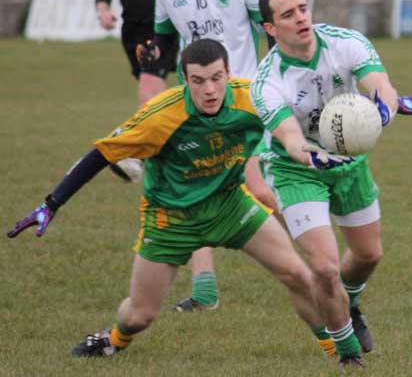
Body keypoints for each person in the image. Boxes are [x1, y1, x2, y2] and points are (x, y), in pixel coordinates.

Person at [8, 39, 332, 363]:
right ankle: (115, 339)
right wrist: (51, 204)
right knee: (140, 314)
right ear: (184, 79)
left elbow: (298, 116)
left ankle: (338, 353)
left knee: (298, 276)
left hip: (230, 205)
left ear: (229, 73)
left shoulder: (252, 98)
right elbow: (101, 154)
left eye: (217, 78)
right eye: (198, 81)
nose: (209, 90)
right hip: (171, 219)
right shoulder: (161, 115)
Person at [250, 0, 412, 366]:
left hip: (350, 161)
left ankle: (349, 304)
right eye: (287, 14)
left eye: (302, 8)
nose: (301, 17)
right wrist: (312, 158)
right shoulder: (267, 82)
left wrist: (385, 111)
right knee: (324, 266)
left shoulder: (345, 42)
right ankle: (348, 354)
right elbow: (289, 138)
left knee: (369, 254)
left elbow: (380, 86)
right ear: (270, 29)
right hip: (297, 170)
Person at [145, 0, 276, 313]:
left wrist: (278, 76)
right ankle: (205, 290)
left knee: (258, 189)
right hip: (197, 101)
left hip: (243, 99)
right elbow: (166, 40)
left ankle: (319, 260)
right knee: (195, 192)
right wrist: (154, 57)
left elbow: (268, 28)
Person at [93, 0, 179, 183]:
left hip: (165, 30)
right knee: (157, 95)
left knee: (147, 93)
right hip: (132, 29)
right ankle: (168, 150)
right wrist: (103, 10)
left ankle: (136, 156)